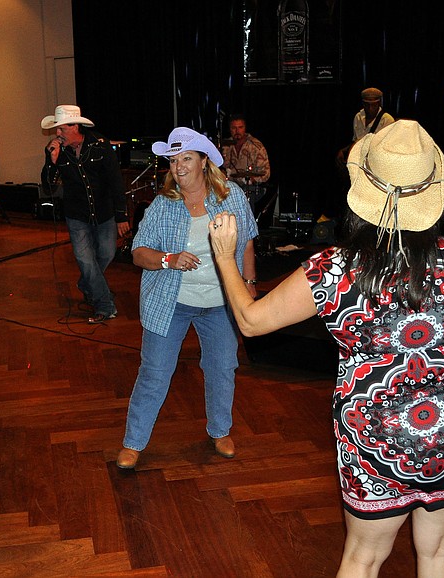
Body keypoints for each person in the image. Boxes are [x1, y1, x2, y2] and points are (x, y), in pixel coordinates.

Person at [209, 120, 444, 577]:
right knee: (438, 549)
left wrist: (224, 253)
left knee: (364, 557)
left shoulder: (333, 269)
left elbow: (251, 322)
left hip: (378, 422)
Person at [116, 127, 259, 470]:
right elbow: (138, 253)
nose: (178, 167)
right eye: (173, 160)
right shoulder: (163, 206)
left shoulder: (231, 197)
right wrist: (169, 259)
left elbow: (248, 240)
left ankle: (220, 431)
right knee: (154, 372)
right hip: (171, 301)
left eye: (186, 159)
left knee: (222, 367)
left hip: (220, 302)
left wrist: (250, 283)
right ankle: (133, 443)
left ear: (204, 162)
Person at [40, 104, 130, 324]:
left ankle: (86, 283)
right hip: (77, 215)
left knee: (107, 254)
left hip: (104, 213)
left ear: (75, 126)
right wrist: (51, 162)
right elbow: (48, 187)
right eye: (56, 129)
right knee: (86, 260)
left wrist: (122, 215)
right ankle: (104, 305)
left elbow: (115, 181)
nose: (57, 133)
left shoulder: (100, 145)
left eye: (61, 129)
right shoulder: (57, 151)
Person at [336, 87, 395, 168]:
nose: (370, 108)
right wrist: (343, 150)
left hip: (377, 161)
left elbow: (388, 148)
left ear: (379, 103)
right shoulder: (358, 116)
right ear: (363, 103)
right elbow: (356, 140)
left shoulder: (387, 120)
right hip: (359, 159)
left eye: (374, 105)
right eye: (367, 105)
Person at [221, 114, 271, 186]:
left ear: (245, 128)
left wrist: (252, 180)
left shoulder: (256, 146)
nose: (237, 131)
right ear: (229, 129)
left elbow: (266, 173)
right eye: (234, 128)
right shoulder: (224, 146)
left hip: (250, 188)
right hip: (228, 188)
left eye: (240, 127)